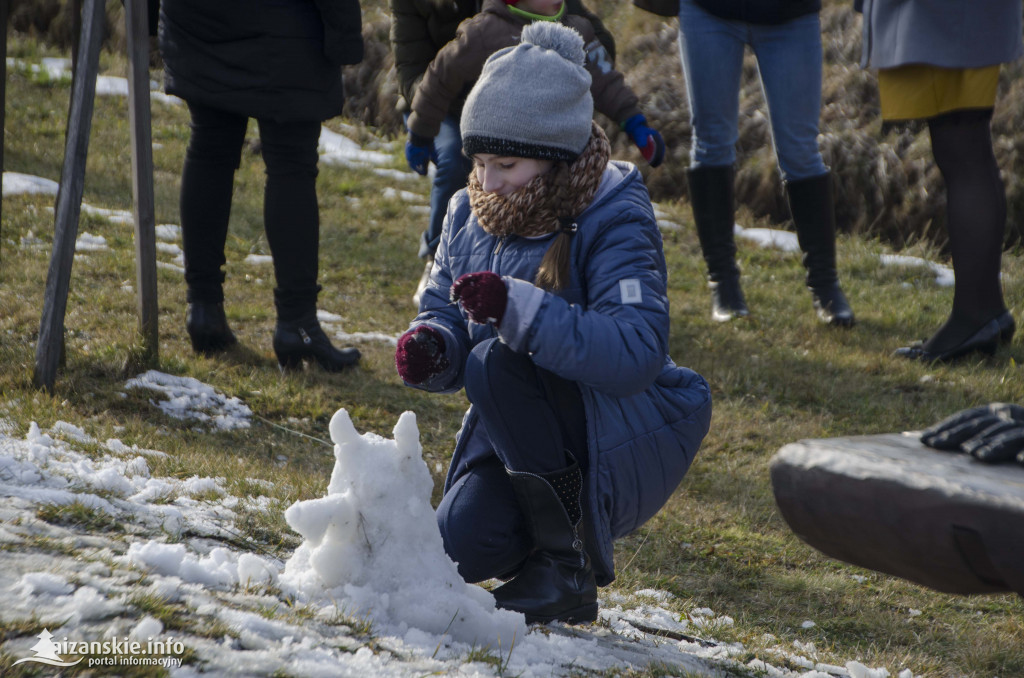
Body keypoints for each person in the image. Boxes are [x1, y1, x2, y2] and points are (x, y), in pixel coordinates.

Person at [394, 22, 711, 624]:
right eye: (479, 161)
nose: (487, 181)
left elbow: (638, 350)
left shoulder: (614, 212)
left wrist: (522, 312)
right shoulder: (467, 210)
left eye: (505, 164)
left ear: (555, 153)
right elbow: (440, 306)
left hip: (607, 430)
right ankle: (540, 550)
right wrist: (434, 344)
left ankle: (568, 570)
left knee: (496, 360)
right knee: (456, 546)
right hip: (512, 432)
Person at [401, 0, 662, 306]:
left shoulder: (578, 30)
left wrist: (635, 122)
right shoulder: (486, 32)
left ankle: (557, 283)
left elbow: (606, 81)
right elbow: (439, 78)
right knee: (456, 174)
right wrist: (421, 132)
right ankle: (438, 257)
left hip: (555, 149)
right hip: (487, 132)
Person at [158, 0, 363, 371]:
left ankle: (203, 310)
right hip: (286, 22)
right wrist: (345, 38)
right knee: (291, 165)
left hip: (198, 18)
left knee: (209, 147)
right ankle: (296, 324)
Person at [637, 0, 854, 325]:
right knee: (711, 143)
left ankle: (826, 287)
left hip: (790, 15)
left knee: (800, 149)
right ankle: (723, 284)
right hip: (709, 10)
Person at [858, 0, 1020, 362]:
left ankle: (973, 317)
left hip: (940, 13)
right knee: (970, 147)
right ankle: (988, 309)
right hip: (966, 15)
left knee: (961, 149)